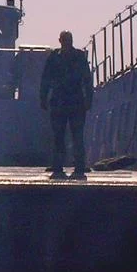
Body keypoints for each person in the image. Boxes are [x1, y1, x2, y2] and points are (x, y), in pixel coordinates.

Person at [40, 30, 93, 180]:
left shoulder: (78, 57)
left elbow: (87, 80)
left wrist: (89, 98)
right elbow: (45, 79)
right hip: (60, 101)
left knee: (77, 135)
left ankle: (79, 166)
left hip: (75, 101)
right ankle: (58, 166)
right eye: (65, 40)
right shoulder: (54, 58)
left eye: (68, 40)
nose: (66, 42)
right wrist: (43, 98)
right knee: (58, 135)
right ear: (60, 41)